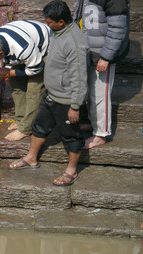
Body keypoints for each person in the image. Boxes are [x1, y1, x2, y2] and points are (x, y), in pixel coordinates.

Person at [9, 0, 89, 186]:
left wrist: (75, 106)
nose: (46, 25)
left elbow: (79, 78)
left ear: (61, 22)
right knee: (39, 126)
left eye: (49, 22)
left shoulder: (75, 44)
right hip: (51, 94)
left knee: (71, 136)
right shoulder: (57, 32)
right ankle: (31, 158)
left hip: (66, 100)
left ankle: (71, 171)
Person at [74, 0, 130, 149]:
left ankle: (100, 134)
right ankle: (94, 123)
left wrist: (106, 57)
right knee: (89, 91)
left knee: (100, 94)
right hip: (88, 48)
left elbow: (118, 28)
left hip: (103, 52)